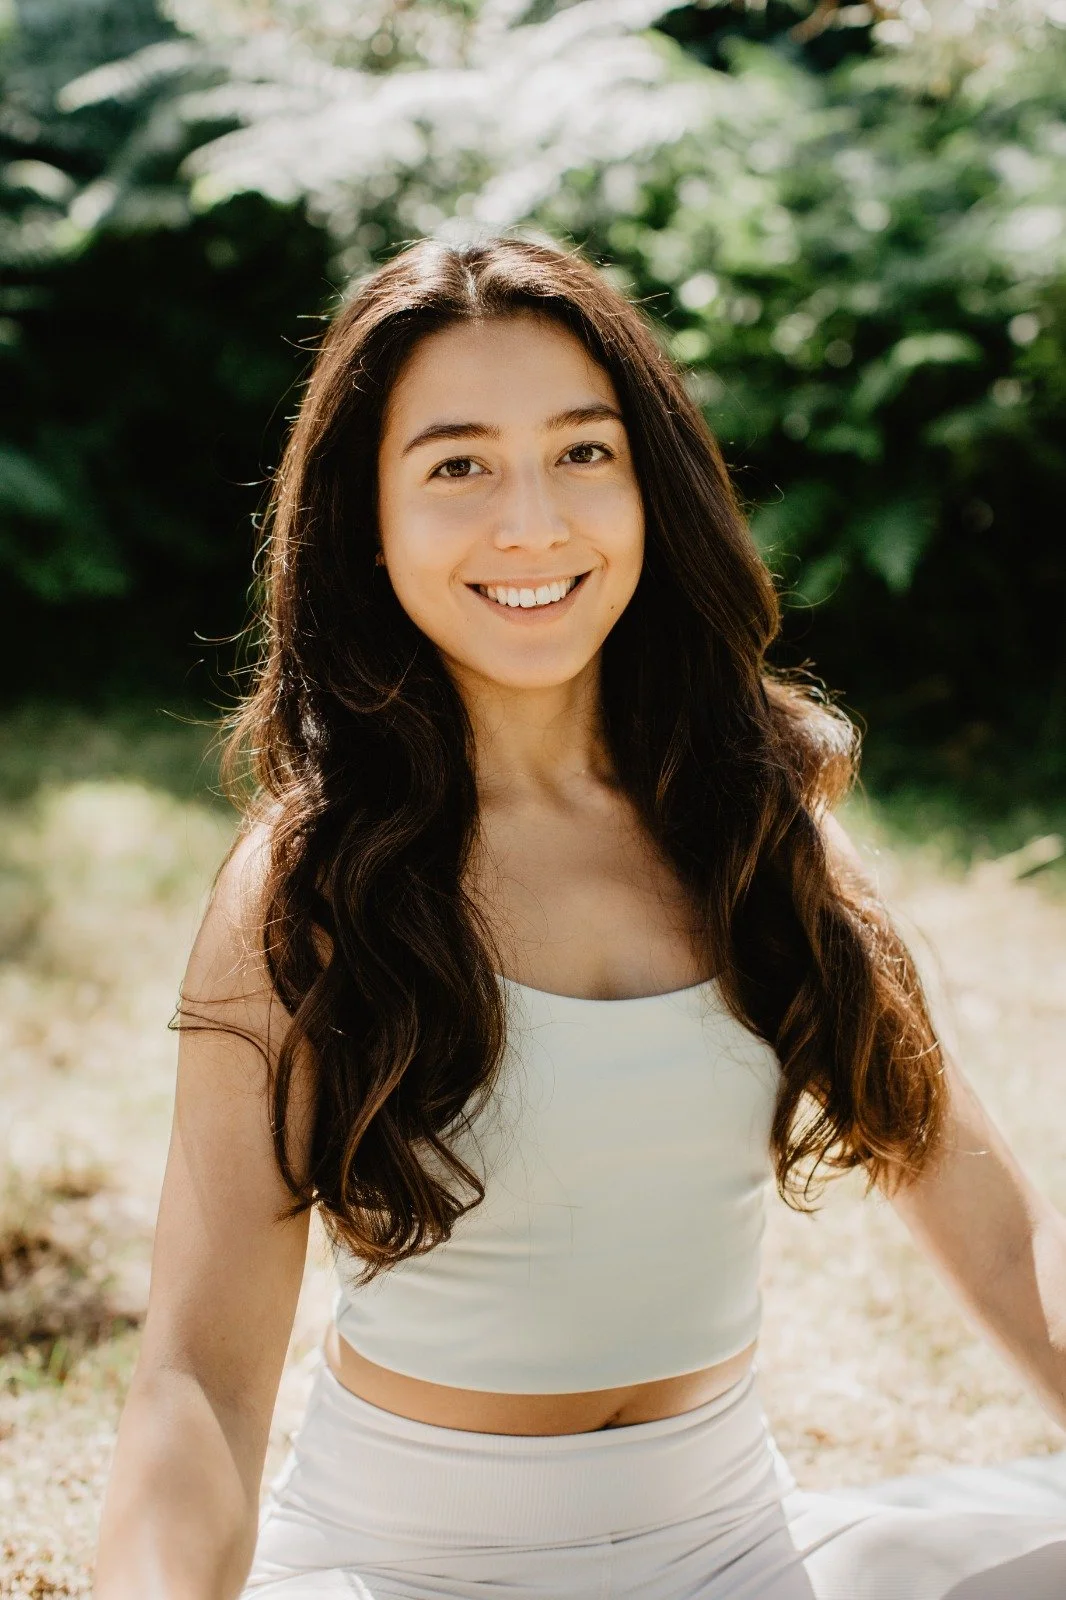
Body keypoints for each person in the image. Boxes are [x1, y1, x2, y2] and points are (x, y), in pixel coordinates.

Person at [94, 235, 1066, 1599]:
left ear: (650, 484)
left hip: (740, 1548)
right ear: (364, 524)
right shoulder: (309, 886)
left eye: (582, 452)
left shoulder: (759, 824)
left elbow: (997, 1227)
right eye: (456, 466)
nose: (532, 522)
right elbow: (198, 1380)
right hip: (409, 1570)